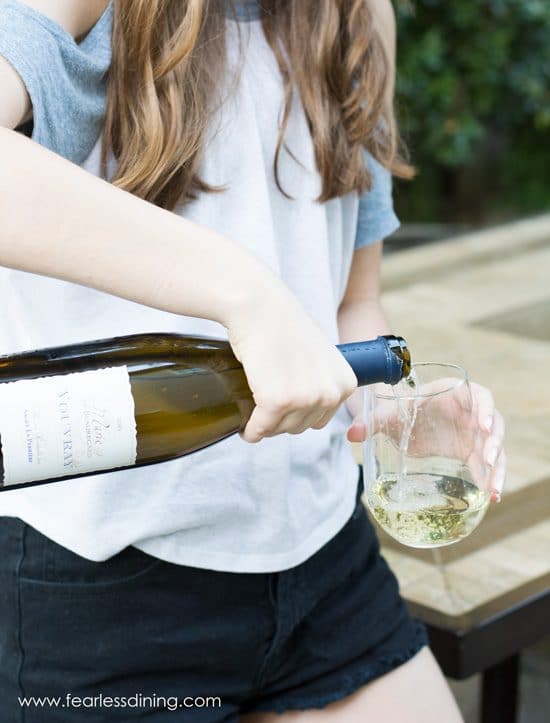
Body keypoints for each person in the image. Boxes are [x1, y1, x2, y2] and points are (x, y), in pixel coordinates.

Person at [0, 1, 506, 721]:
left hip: (324, 567)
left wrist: (397, 409)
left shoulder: (359, 17)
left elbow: (352, 306)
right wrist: (242, 291)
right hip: (101, 592)